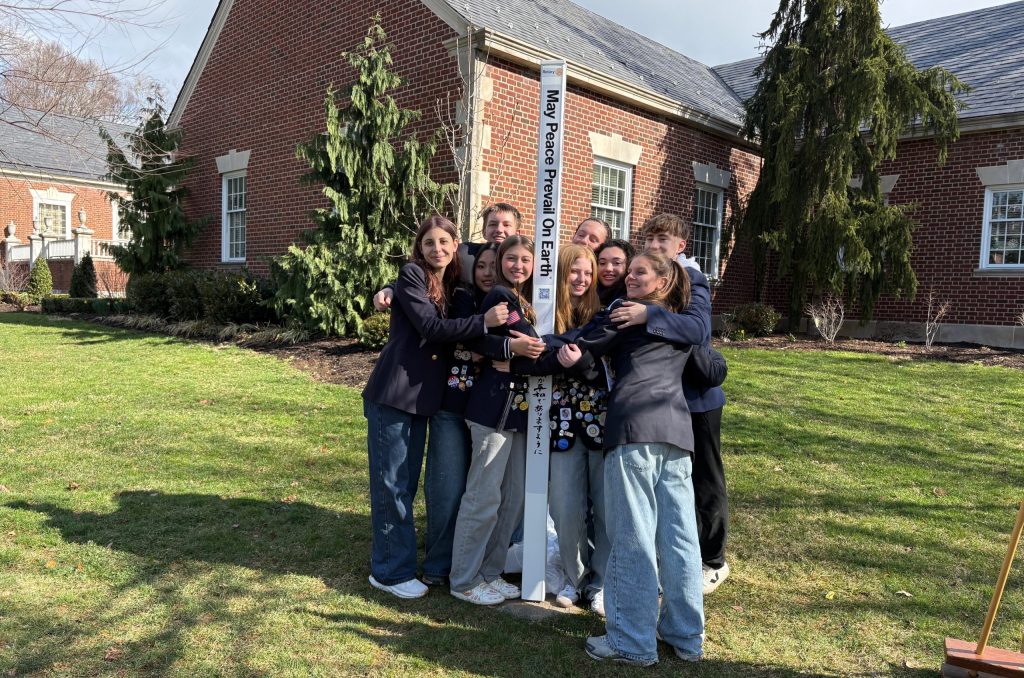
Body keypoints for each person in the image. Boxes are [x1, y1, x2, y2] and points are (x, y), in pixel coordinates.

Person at [528, 251, 705, 665]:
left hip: (632, 430)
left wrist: (532, 346)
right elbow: (699, 334)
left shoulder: (629, 313)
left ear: (662, 281)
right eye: (630, 272)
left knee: (633, 536)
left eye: (639, 272)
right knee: (679, 537)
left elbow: (578, 339)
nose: (628, 278)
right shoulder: (678, 319)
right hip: (677, 434)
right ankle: (686, 637)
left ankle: (631, 641)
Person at [361, 215, 509, 600]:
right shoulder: (412, 274)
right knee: (392, 483)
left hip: (422, 400)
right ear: (420, 247)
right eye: (430, 243)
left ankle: (399, 562)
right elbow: (431, 328)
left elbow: (493, 258)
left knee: (404, 483)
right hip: (393, 394)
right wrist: (483, 322)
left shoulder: (451, 280)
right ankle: (389, 572)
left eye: (445, 242)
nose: (438, 249)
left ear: (456, 244)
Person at [421, 242, 544, 587]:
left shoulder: (529, 301)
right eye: (510, 259)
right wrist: (511, 349)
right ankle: (463, 577)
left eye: (525, 259)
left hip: (518, 412)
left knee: (510, 498)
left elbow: (528, 348)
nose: (516, 265)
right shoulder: (498, 298)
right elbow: (485, 342)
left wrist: (515, 355)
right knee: (482, 496)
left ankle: (489, 571)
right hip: (488, 406)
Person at [634, 213, 731, 594]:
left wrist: (650, 314)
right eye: (651, 238)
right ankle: (670, 553)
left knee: (705, 478)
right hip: (660, 397)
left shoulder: (693, 279)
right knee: (671, 480)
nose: (656, 245)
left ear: (681, 246)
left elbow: (699, 331)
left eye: (664, 240)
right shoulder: (641, 276)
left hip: (696, 396)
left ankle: (712, 560)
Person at [372, 203, 522, 310]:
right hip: (469, 330)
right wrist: (391, 289)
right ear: (483, 231)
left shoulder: (526, 262)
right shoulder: (465, 253)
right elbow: (426, 272)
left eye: (506, 225)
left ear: (517, 232)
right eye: (493, 224)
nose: (499, 230)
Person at [595, 238, 635, 308]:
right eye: (602, 263)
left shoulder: (634, 299)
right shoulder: (585, 293)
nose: (608, 268)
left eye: (616, 263)